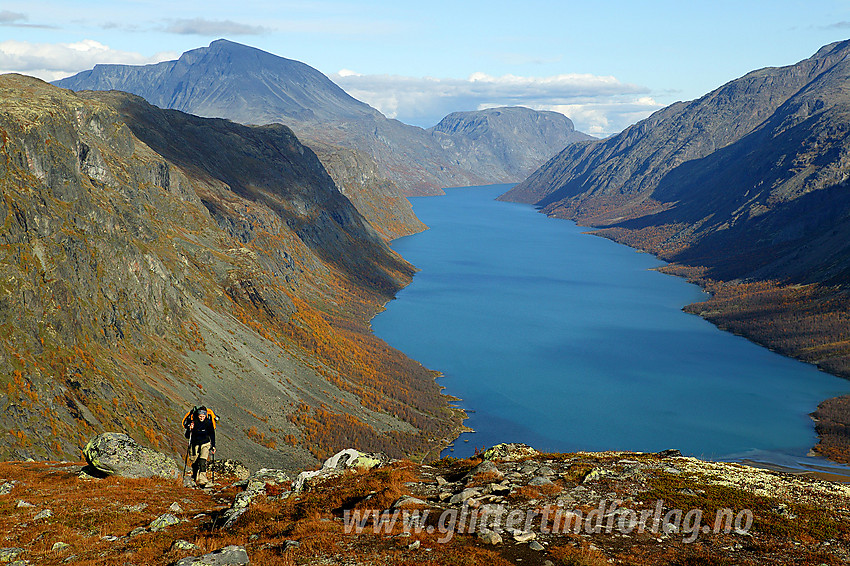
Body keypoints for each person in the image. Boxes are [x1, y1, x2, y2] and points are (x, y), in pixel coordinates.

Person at [184, 406, 216, 487]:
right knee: (195, 463)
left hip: (205, 444)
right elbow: (187, 436)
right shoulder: (193, 422)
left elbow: (212, 434)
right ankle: (195, 477)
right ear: (198, 415)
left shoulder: (208, 423)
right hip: (194, 444)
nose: (202, 418)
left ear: (205, 415)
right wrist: (189, 429)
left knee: (202, 461)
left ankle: (203, 481)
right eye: (200, 416)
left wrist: (213, 446)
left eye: (203, 416)